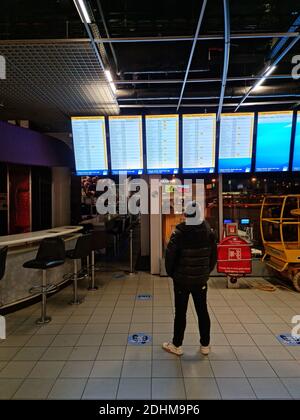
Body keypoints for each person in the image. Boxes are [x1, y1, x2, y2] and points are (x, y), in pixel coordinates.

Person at [162, 201, 217, 356]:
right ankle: (205, 345)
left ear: (186, 215)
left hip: (181, 281)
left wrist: (173, 274)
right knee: (202, 311)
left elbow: (170, 257)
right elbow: (213, 257)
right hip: (200, 281)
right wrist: (205, 272)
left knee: (181, 313)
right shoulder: (209, 232)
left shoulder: (179, 233)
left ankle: (177, 345)